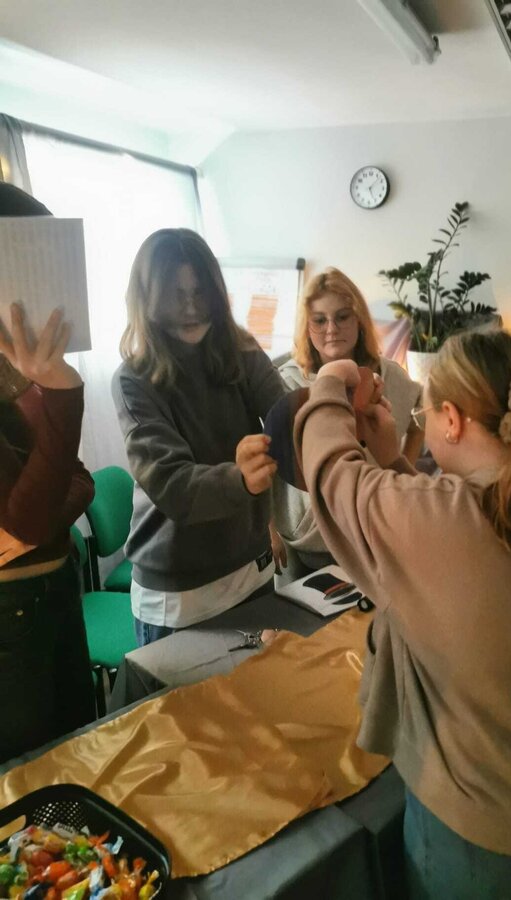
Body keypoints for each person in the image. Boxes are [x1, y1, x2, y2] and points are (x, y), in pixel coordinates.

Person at [288, 328, 511, 899]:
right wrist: (392, 460)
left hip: (479, 830)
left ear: (452, 421)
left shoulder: (447, 520)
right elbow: (457, 545)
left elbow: (334, 476)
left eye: (427, 414)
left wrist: (330, 383)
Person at [112, 228, 285, 646]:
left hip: (251, 570)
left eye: (199, 292)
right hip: (179, 594)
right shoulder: (133, 379)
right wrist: (240, 479)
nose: (190, 308)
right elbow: (173, 485)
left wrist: (333, 404)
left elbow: (287, 415)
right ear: (147, 298)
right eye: (176, 295)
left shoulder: (242, 352)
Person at [0, 182, 96, 763]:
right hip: (11, 618)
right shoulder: (38, 377)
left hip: (54, 589)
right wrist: (63, 393)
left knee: (79, 757)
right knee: (32, 781)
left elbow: (79, 479)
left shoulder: (16, 369)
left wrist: (37, 521)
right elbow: (31, 519)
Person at [272, 266, 422, 577]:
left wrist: (399, 471)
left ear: (359, 320)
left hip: (372, 530)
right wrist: (268, 527)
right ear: (306, 325)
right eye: (319, 320)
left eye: (342, 317)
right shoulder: (284, 382)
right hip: (304, 533)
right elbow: (263, 455)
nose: (331, 329)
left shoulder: (388, 374)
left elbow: (419, 419)